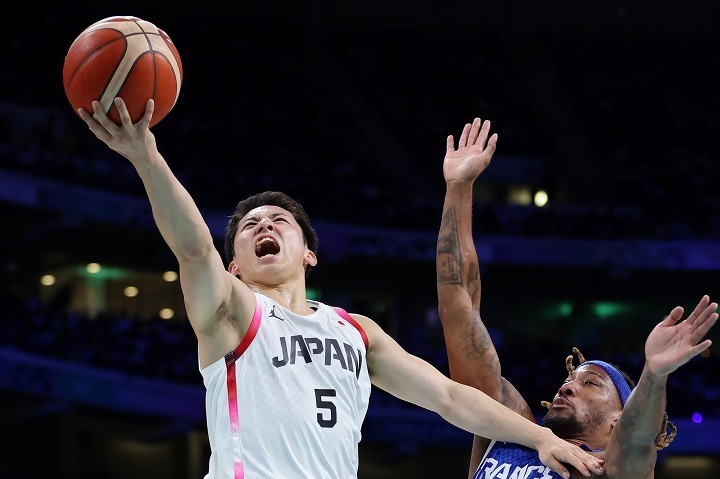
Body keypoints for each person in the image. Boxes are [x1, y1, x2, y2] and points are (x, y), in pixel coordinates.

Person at [76, 99, 605, 479]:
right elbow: (193, 249)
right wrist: (146, 156)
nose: (265, 227)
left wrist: (540, 436)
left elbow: (447, 396)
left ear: (308, 252)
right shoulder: (230, 314)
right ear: (233, 266)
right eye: (250, 226)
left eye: (280, 220)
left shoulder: (354, 330)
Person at [436, 117, 719, 479]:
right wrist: (459, 186)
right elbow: (460, 309)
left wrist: (654, 375)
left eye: (590, 384)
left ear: (619, 419)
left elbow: (635, 442)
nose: (568, 386)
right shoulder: (506, 428)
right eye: (572, 381)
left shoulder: (610, 469)